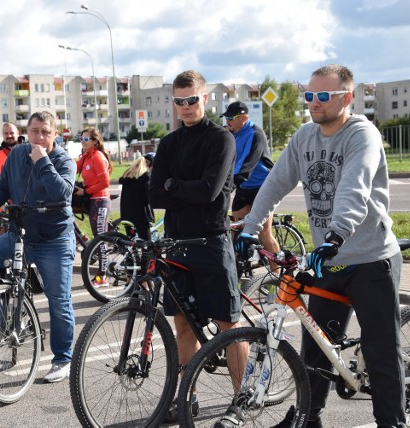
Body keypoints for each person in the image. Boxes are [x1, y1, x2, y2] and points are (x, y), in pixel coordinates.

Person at [236, 64, 405, 427]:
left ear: (347, 97)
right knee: (315, 348)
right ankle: (306, 419)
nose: (314, 103)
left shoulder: (362, 135)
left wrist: (337, 233)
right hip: (329, 261)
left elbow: (354, 188)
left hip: (369, 259)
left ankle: (391, 422)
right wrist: (250, 227)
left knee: (381, 352)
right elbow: (276, 182)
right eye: (309, 96)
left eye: (323, 96)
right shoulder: (304, 137)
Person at [148, 70, 248, 425]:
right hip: (176, 244)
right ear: (173, 103)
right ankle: (186, 397)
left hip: (210, 241)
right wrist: (179, 188)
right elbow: (154, 194)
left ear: (204, 99)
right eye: (179, 101)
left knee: (228, 326)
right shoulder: (169, 144)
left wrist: (173, 185)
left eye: (192, 99)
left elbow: (209, 192)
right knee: (184, 327)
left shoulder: (221, 139)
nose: (186, 107)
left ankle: (242, 399)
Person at [0, 111, 77, 384]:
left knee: (59, 300)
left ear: (54, 134)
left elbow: (62, 194)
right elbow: (2, 185)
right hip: (20, 234)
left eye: (45, 132)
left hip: (54, 240)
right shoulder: (16, 155)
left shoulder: (63, 160)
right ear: (26, 133)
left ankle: (63, 359)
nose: (39, 137)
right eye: (35, 131)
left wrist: (42, 162)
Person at [221, 101, 281, 262]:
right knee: (236, 230)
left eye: (231, 118)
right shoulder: (233, 134)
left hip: (263, 187)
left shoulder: (255, 134)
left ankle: (280, 278)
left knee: (264, 233)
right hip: (244, 187)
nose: (227, 121)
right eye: (226, 118)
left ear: (244, 118)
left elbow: (246, 165)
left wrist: (227, 187)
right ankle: (240, 269)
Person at [74, 127, 112, 287]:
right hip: (92, 201)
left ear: (95, 141)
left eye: (86, 139)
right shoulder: (87, 156)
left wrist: (86, 191)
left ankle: (102, 276)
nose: (82, 141)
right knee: (97, 238)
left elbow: (105, 182)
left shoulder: (97, 156)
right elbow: (74, 169)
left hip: (100, 200)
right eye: (81, 139)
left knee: (100, 239)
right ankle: (88, 246)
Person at [118, 152, 155, 240]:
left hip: (126, 215)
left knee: (132, 243)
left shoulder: (127, 176)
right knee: (147, 245)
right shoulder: (146, 177)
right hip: (140, 217)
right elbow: (149, 196)